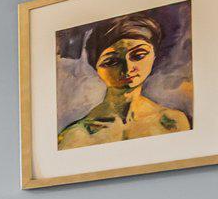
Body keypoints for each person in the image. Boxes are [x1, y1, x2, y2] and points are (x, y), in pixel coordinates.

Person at [58, 12, 193, 148]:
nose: (128, 68)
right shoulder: (74, 136)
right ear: (96, 68)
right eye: (111, 61)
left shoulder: (172, 122)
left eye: (138, 55)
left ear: (154, 56)